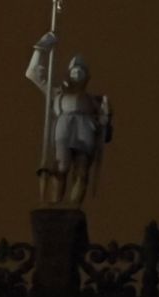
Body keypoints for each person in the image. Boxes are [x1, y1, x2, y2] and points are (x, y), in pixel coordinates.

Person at [27, 36, 111, 207]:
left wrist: (105, 117)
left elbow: (104, 126)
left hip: (86, 130)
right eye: (74, 71)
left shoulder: (93, 100)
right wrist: (40, 48)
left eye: (81, 72)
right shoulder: (58, 93)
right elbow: (32, 73)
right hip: (64, 129)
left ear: (87, 76)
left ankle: (73, 208)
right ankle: (53, 204)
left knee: (81, 172)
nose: (77, 74)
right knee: (61, 167)